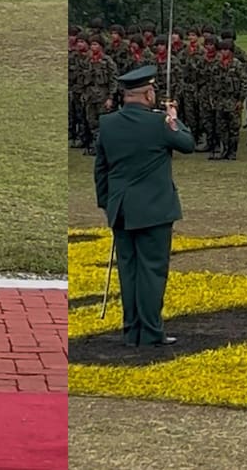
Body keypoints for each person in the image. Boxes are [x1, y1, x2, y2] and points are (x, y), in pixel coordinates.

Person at [93, 64, 196, 347]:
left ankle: (132, 330)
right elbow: (187, 143)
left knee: (129, 270)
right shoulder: (159, 123)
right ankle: (150, 331)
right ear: (149, 94)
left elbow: (101, 169)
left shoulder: (108, 123)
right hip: (154, 209)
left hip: (121, 208)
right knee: (152, 270)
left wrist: (107, 203)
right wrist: (174, 118)